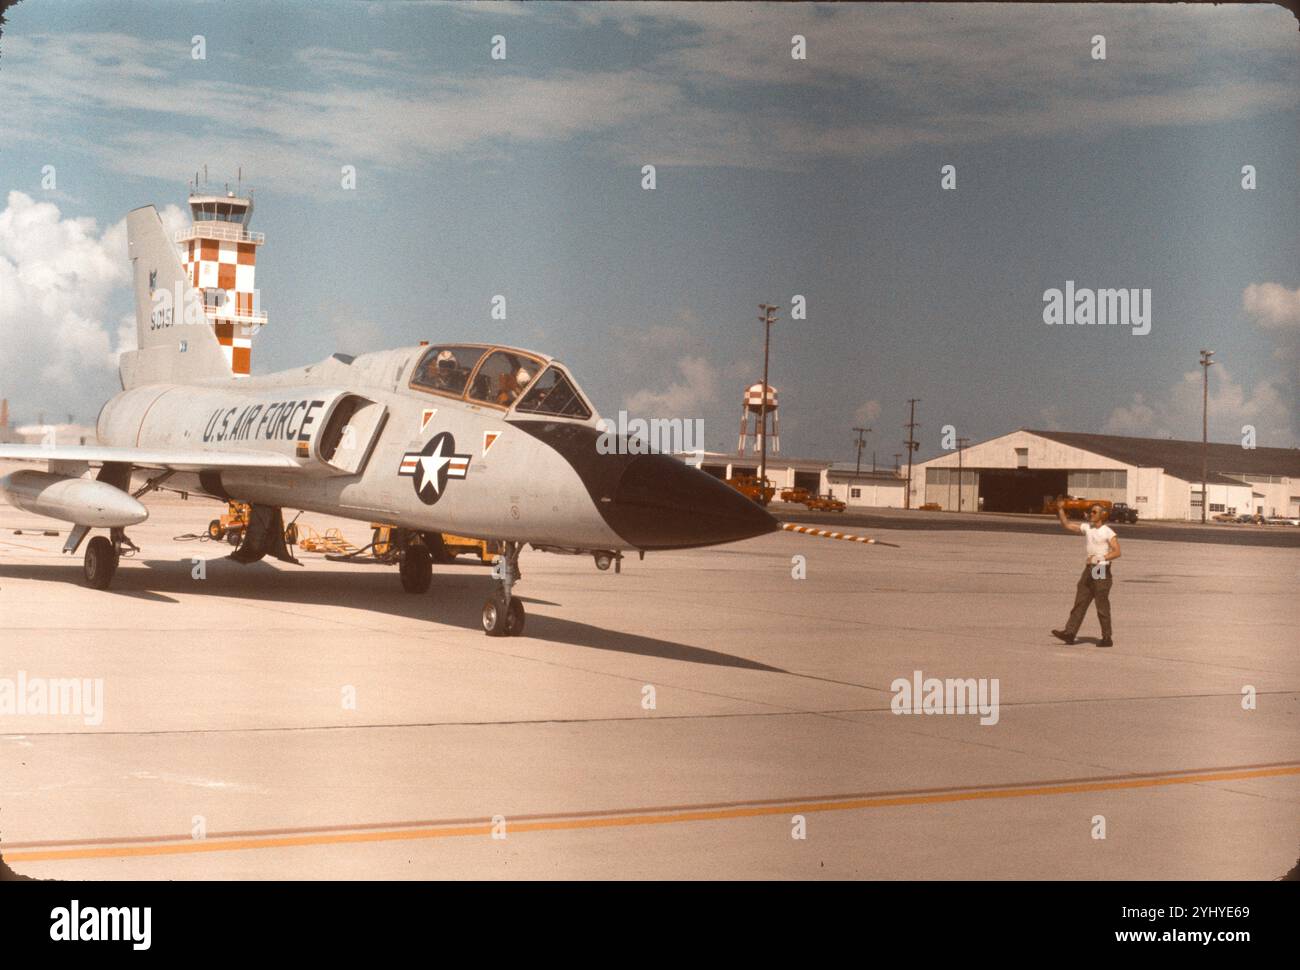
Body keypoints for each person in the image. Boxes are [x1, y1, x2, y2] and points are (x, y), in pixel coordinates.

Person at [1051, 500, 1120, 647]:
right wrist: (1061, 510)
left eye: (1094, 512)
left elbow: (1117, 552)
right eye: (1090, 512)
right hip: (1089, 569)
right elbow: (1067, 525)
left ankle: (1107, 638)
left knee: (1101, 604)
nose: (1090, 514)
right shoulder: (1088, 528)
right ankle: (1069, 633)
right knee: (1080, 601)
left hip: (1100, 568)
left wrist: (1099, 558)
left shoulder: (1107, 531)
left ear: (1102, 515)